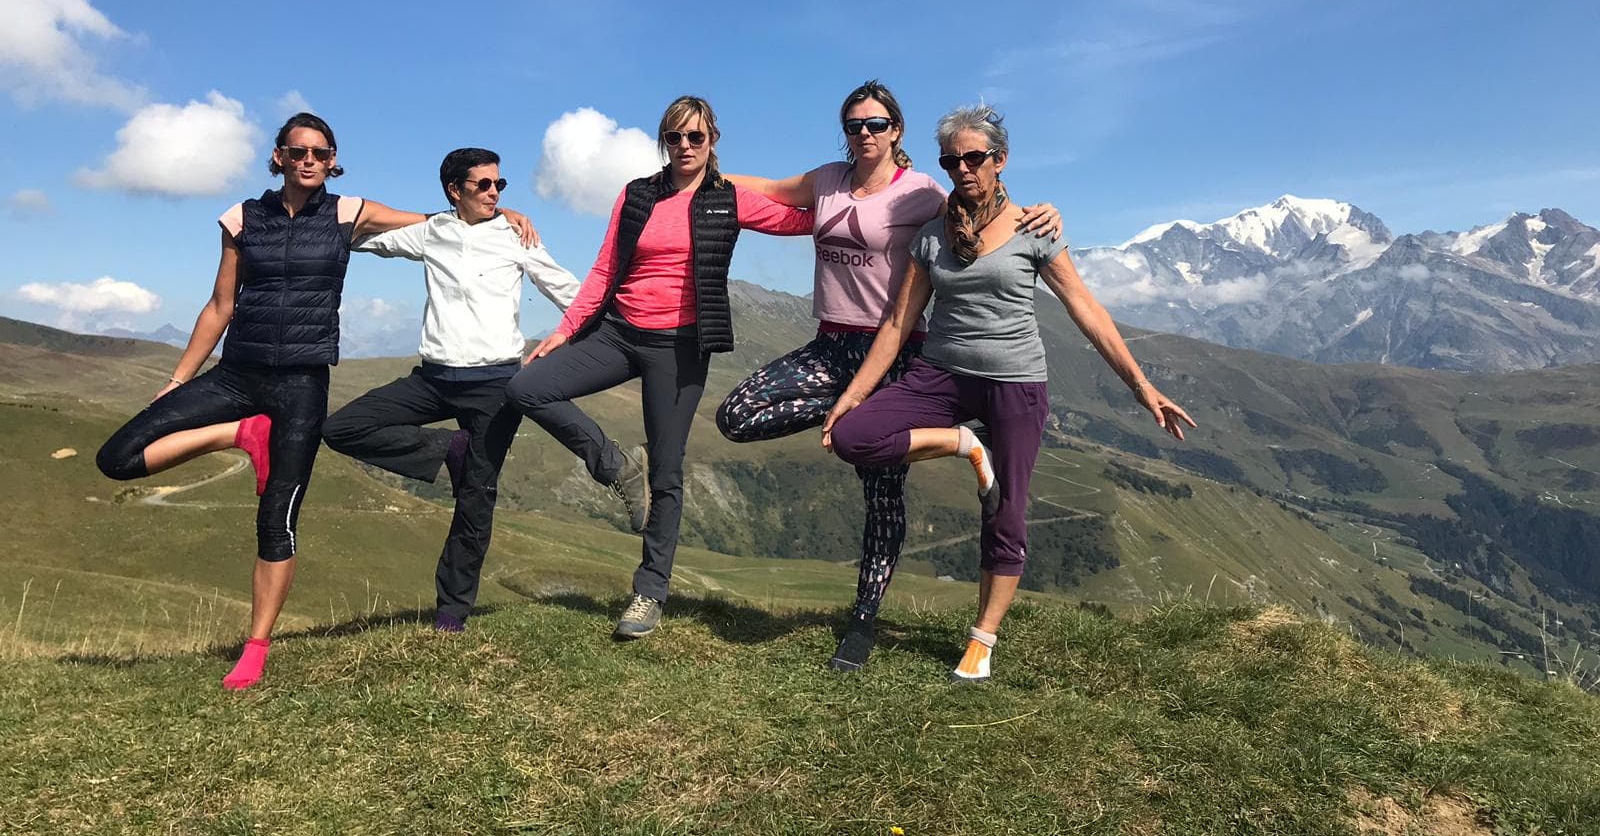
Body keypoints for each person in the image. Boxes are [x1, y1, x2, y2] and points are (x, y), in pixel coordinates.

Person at [93, 113, 535, 689]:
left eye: (321, 152)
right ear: (278, 157)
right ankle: (239, 435)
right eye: (297, 151)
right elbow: (220, 305)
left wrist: (500, 213)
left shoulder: (349, 213)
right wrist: (179, 380)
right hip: (236, 374)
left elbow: (442, 222)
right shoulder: (241, 219)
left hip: (301, 385)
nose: (309, 160)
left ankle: (255, 648)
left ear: (333, 160)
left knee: (277, 521)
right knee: (117, 458)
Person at [822, 104, 1195, 683]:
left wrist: (1144, 388)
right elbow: (897, 325)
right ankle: (966, 445)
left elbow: (1085, 308)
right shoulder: (930, 237)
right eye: (952, 160)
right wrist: (852, 396)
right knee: (852, 437)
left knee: (1007, 511)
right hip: (938, 377)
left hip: (1015, 382)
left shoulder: (1034, 228)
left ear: (1000, 160)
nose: (963, 169)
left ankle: (982, 639)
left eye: (975, 157)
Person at [717, 80, 1060, 673]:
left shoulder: (922, 191)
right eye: (854, 125)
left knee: (883, 496)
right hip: (829, 346)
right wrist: (700, 176)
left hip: (894, 350)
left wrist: (1042, 212)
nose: (865, 134)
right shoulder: (826, 179)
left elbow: (982, 202)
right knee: (737, 415)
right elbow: (770, 189)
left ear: (895, 129)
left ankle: (863, 622)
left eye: (876, 124)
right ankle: (945, 440)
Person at [499, 95, 813, 640]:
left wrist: (887, 200)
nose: (685, 146)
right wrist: (566, 330)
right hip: (618, 332)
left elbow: (803, 222)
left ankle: (649, 593)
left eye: (696, 137)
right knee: (528, 386)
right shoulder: (637, 194)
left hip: (682, 346)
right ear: (663, 142)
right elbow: (603, 268)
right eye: (675, 138)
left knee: (668, 469)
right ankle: (618, 467)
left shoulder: (729, 199)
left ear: (713, 139)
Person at [321, 147, 581, 633]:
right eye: (483, 185)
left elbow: (567, 290)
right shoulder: (433, 232)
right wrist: (316, 211)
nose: (494, 193)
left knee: (476, 498)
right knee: (342, 428)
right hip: (434, 379)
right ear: (453, 190)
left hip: (495, 385)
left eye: (499, 185)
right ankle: (449, 448)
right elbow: (362, 237)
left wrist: (600, 333)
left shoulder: (515, 236)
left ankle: (451, 614)